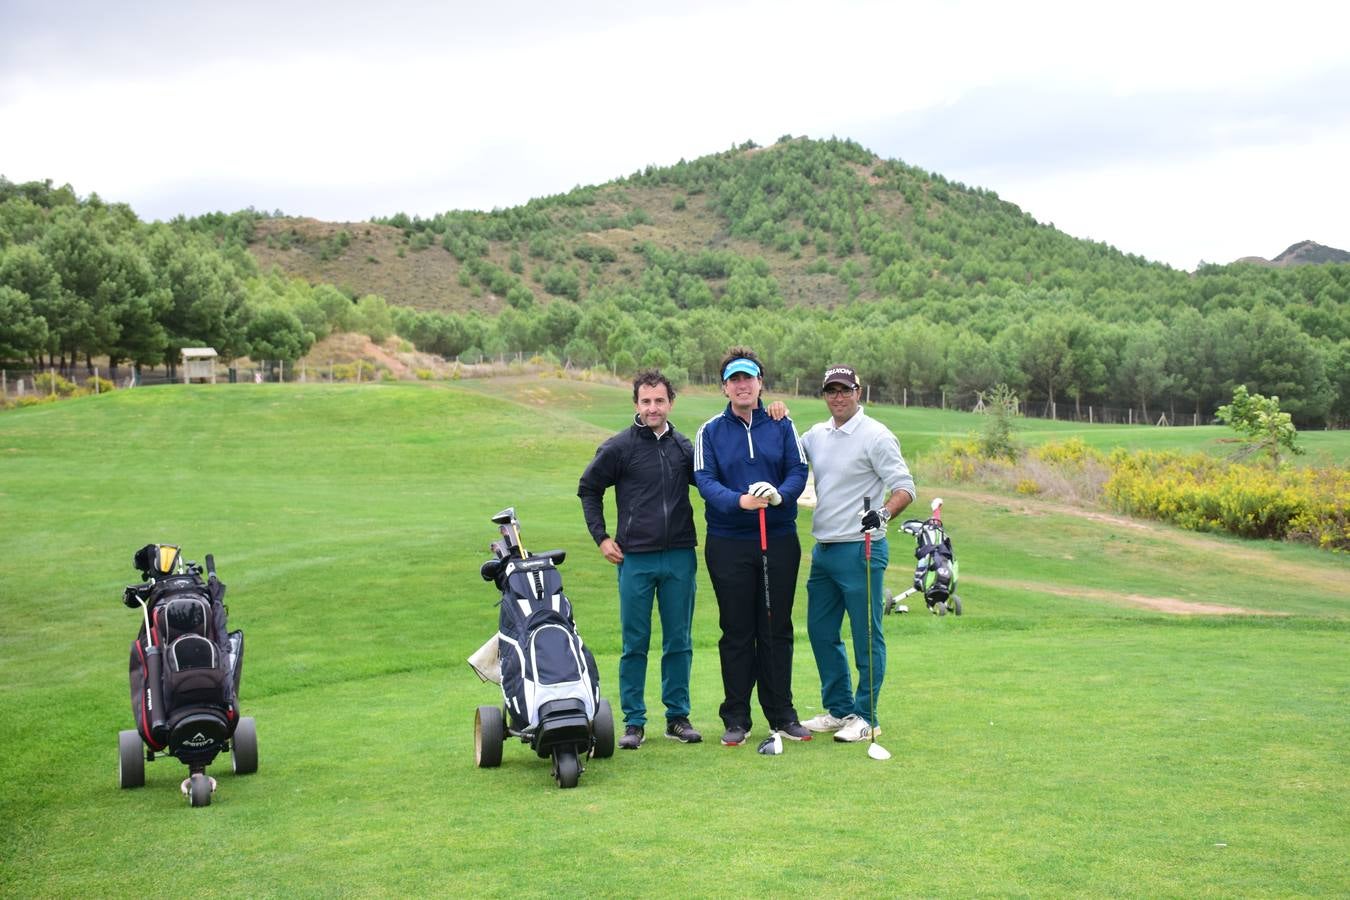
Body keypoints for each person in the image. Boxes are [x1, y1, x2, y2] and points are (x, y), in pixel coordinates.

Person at [578, 369, 703, 750]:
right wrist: (601, 538)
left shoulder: (684, 448)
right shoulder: (619, 448)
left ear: (671, 403)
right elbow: (589, 489)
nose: (653, 408)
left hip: (680, 555)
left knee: (678, 641)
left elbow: (715, 484)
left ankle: (677, 717)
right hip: (635, 559)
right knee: (635, 642)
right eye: (646, 401)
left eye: (660, 401)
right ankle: (634, 722)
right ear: (636, 404)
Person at [693, 347, 811, 746]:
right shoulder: (710, 430)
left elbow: (798, 469)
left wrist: (779, 496)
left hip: (777, 539)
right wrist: (739, 501)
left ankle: (782, 713)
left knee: (776, 628)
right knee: (737, 630)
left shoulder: (781, 424)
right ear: (725, 387)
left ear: (761, 383)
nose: (743, 385)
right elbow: (704, 480)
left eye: (749, 378)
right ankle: (736, 717)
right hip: (729, 542)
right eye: (735, 379)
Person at [799, 364, 915, 743]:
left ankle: (866, 716)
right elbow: (785, 453)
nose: (838, 396)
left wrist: (882, 513)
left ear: (858, 392)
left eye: (845, 390)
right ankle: (839, 709)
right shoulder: (816, 435)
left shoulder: (876, 436)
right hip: (825, 550)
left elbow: (904, 488)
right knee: (820, 631)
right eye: (831, 391)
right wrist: (777, 414)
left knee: (866, 635)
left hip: (862, 550)